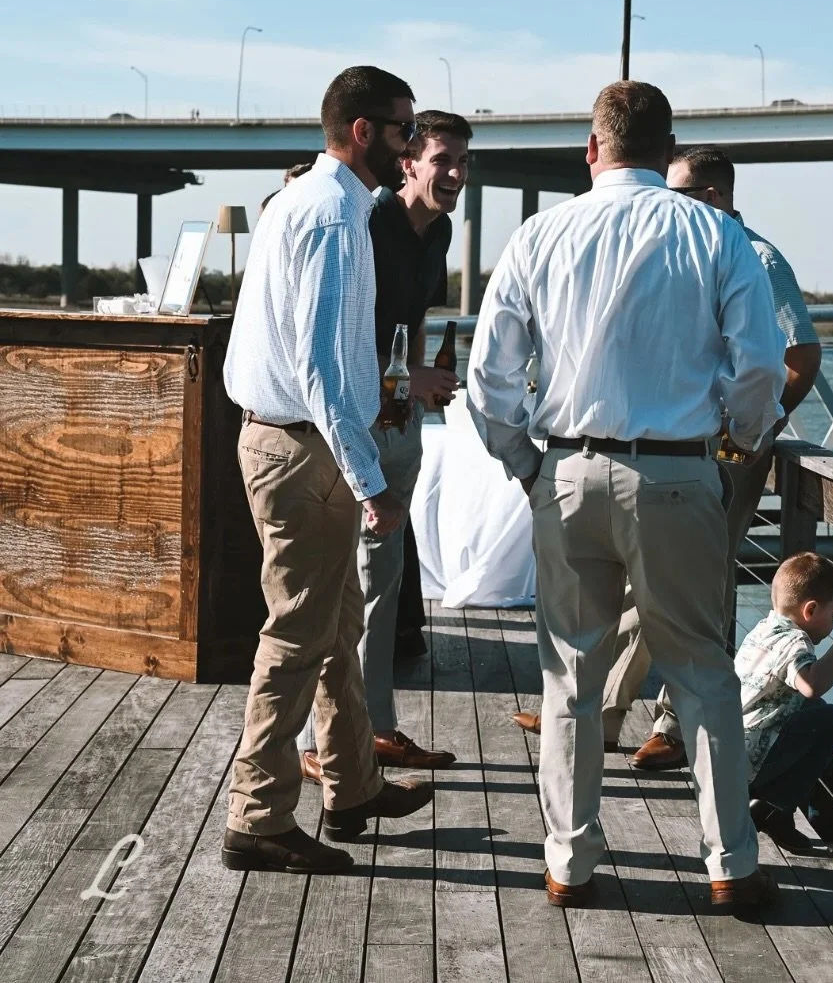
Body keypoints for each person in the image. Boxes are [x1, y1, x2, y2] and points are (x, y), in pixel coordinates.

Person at [467, 81, 787, 909]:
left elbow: (489, 381)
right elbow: (759, 367)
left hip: (567, 471)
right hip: (678, 472)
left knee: (570, 676)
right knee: (701, 672)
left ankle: (569, 866)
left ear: (591, 149)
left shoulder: (539, 234)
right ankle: (730, 867)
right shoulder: (715, 232)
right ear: (666, 147)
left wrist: (526, 464)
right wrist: (736, 448)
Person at [513, 144, 822, 762]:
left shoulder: (756, 256)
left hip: (723, 449)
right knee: (652, 592)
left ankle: (670, 729)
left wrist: (746, 433)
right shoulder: (689, 245)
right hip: (674, 452)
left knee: (697, 598)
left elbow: (799, 356)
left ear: (710, 195)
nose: (660, 202)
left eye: (675, 192)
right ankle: (608, 716)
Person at [221, 64, 434, 875]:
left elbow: (324, 358)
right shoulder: (334, 219)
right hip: (305, 448)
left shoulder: (300, 205)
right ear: (362, 133)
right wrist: (370, 479)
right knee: (297, 636)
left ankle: (351, 787)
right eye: (403, 130)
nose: (412, 146)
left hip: (293, 441)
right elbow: (317, 365)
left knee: (336, 626)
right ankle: (257, 818)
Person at [298, 109, 471, 778]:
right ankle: (323, 744)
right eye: (441, 160)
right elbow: (339, 341)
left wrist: (417, 390)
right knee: (347, 585)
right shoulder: (368, 223)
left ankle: (375, 728)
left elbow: (415, 319)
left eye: (462, 162)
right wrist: (407, 376)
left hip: (399, 421)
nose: (453, 174)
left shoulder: (441, 230)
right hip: (352, 426)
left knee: (385, 581)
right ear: (409, 162)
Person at [736, 552, 833, 853]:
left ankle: (777, 807)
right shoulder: (795, 642)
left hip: (730, 746)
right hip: (750, 761)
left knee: (814, 712)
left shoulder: (764, 628)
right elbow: (811, 684)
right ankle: (774, 807)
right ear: (811, 610)